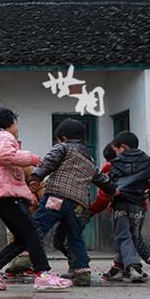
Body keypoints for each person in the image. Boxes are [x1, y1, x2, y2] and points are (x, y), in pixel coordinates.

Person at [0, 107, 72, 291]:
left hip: (0, 195)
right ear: (7, 124)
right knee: (33, 232)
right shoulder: (4, 137)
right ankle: (42, 274)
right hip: (6, 194)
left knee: (23, 237)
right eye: (15, 122)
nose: (17, 126)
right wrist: (32, 158)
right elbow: (6, 156)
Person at [26, 118, 116, 287]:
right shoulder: (89, 158)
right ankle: (82, 271)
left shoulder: (63, 147)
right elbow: (102, 179)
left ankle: (24, 257)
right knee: (75, 237)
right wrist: (113, 190)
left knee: (37, 228)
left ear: (63, 137)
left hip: (56, 197)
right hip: (78, 205)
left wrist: (36, 176)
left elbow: (49, 162)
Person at [89, 143, 150, 281]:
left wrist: (94, 209)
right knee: (130, 237)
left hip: (120, 206)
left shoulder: (112, 166)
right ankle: (118, 269)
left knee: (124, 236)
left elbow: (104, 194)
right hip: (139, 208)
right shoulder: (142, 165)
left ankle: (138, 266)